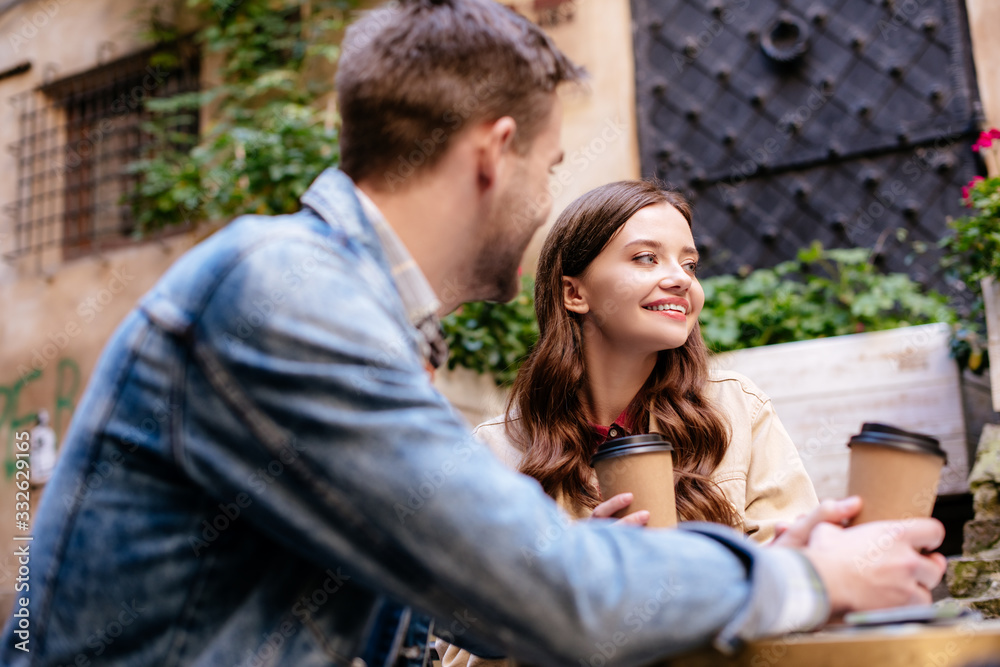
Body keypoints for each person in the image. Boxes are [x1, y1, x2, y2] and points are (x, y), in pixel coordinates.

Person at [1, 1, 947, 665]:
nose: (545, 202)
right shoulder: (285, 295)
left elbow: (459, 606)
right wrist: (808, 580)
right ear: (493, 154)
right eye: (546, 166)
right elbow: (556, 600)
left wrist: (757, 559)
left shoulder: (341, 303)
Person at [436, 180, 814, 667]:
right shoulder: (494, 454)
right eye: (645, 258)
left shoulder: (737, 410)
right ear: (574, 292)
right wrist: (579, 581)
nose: (680, 278)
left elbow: (799, 585)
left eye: (690, 263)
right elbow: (461, 654)